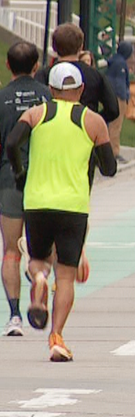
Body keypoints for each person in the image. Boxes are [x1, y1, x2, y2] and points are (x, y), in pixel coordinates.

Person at [6, 62, 115, 361]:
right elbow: (111, 168)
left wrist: (20, 172)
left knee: (38, 261)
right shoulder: (92, 121)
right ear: (80, 90)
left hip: (37, 202)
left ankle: (38, 279)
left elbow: (12, 142)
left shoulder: (36, 114)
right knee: (65, 276)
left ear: (51, 90)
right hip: (73, 206)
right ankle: (56, 337)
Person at [0, 42, 50, 336]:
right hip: (43, 181)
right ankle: (41, 277)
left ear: (8, 66)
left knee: (10, 250)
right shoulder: (47, 98)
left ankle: (15, 315)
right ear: (36, 66)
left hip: (9, 179)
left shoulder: (1, 99)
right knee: (42, 249)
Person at [38, 24, 120, 129]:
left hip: (52, 130)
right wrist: (94, 120)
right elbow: (113, 109)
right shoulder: (95, 75)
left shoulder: (45, 74)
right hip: (85, 131)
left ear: (54, 47)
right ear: (81, 47)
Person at [104, 40, 133, 159]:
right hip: (118, 97)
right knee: (116, 125)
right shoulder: (121, 64)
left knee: (109, 124)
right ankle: (113, 152)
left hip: (110, 96)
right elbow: (120, 82)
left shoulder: (114, 61)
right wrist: (124, 96)